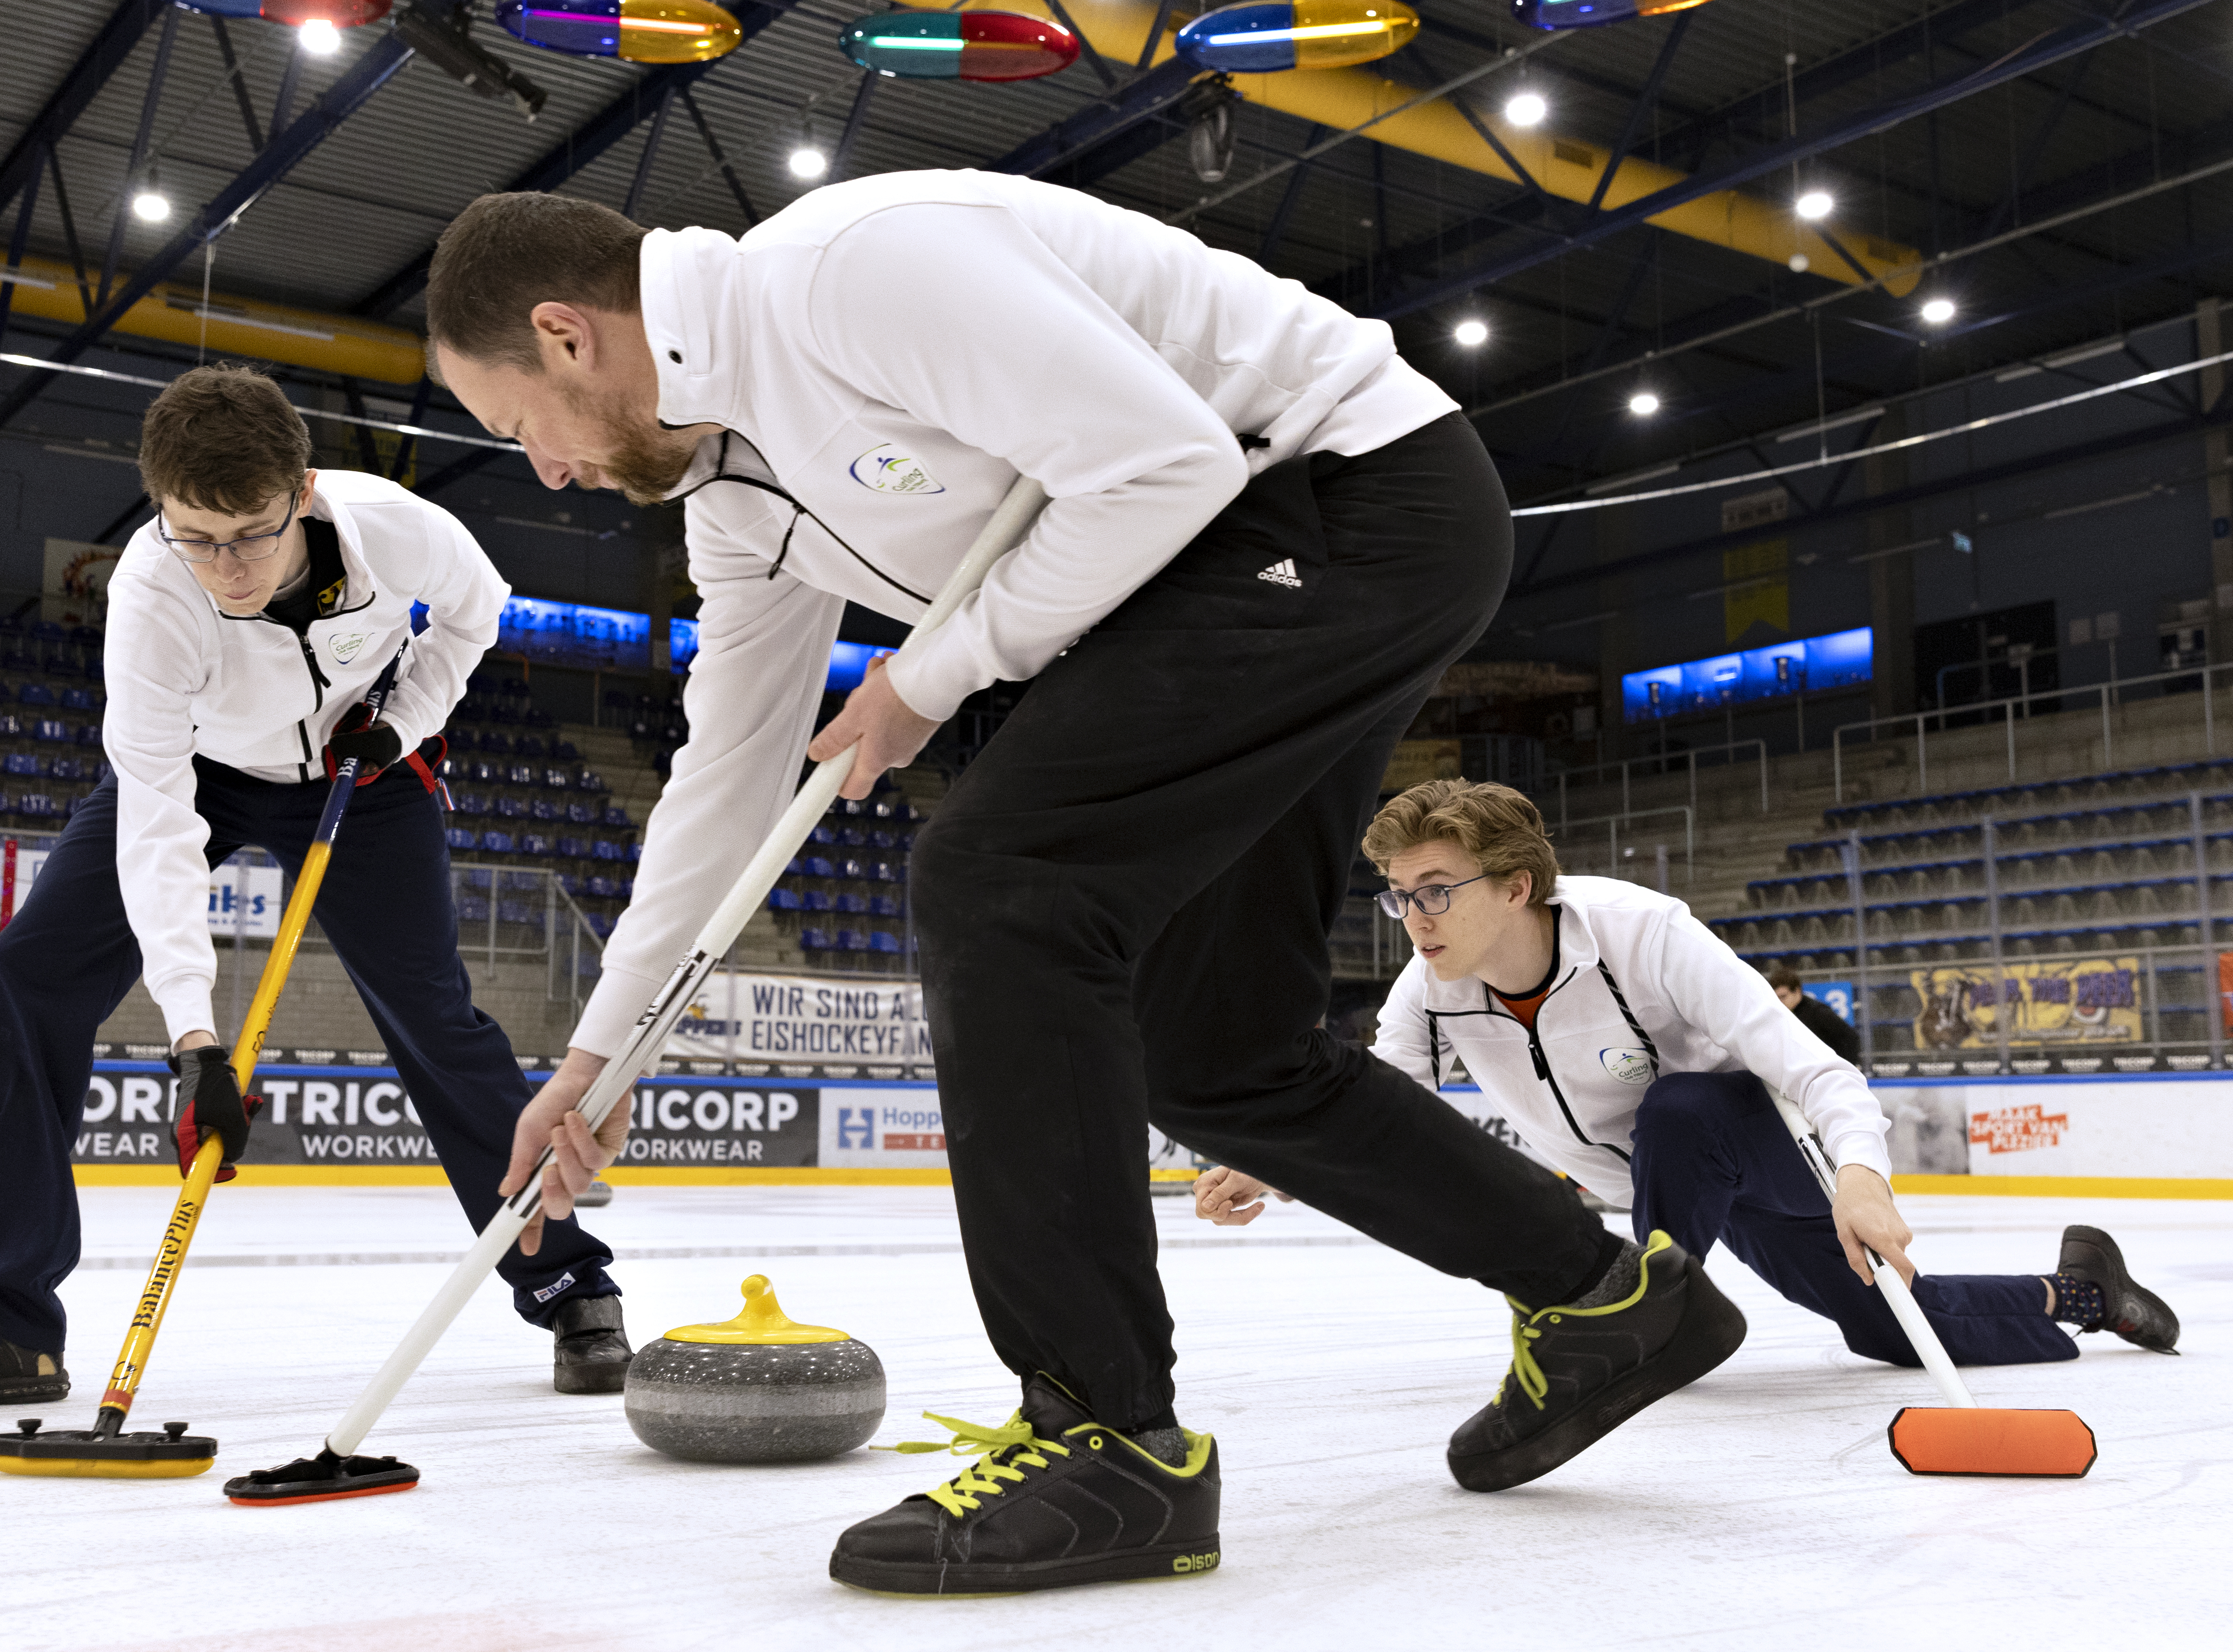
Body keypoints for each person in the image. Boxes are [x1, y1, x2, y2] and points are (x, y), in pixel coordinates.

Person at [422, 172, 1746, 1595]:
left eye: (515, 427)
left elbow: (1164, 464)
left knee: (998, 879)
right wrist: (603, 1048)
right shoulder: (736, 503)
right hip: (1248, 561)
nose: (542, 468)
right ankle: (1601, 1297)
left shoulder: (841, 273)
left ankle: (1108, 1438)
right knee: (1212, 1047)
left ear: (565, 335)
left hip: (1340, 499)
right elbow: (727, 783)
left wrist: (924, 677)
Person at [0, 365, 632, 1414]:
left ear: (301, 491)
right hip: (200, 769)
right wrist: (196, 1041)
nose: (227, 565)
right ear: (162, 510)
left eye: (250, 532)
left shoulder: (399, 529)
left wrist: (407, 721)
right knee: (32, 971)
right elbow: (155, 822)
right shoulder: (154, 598)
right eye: (196, 536)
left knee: (433, 1018)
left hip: (364, 772)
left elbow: (475, 617)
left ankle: (566, 1276)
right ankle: (3, 1316)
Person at [1199, 779, 2180, 1379]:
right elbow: (1380, 1114)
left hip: (1754, 1143)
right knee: (1885, 1330)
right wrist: (1276, 1165)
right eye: (1400, 896)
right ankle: (2079, 1294)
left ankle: (1646, 1318)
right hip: (1678, 1193)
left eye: (1437, 891)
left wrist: (1863, 1175)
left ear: (1513, 887)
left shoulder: (1643, 930)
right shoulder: (1432, 987)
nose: (1414, 917)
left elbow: (1810, 1064)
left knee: (1681, 1105)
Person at [1765, 962, 1860, 1062]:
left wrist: (1847, 1070)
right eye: (1777, 998)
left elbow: (1851, 1037)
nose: (1780, 1002)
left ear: (1797, 991)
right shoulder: (1787, 1014)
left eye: (1783, 997)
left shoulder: (1818, 1012)